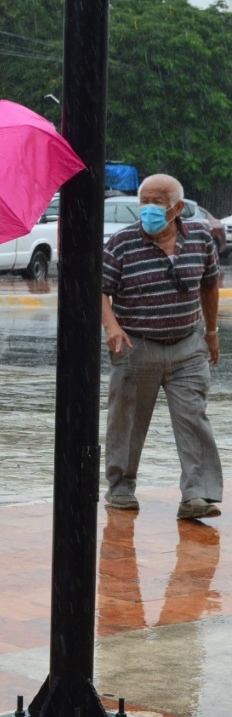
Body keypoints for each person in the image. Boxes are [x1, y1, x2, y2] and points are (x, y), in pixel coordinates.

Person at [102, 173, 223, 520]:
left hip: (187, 346)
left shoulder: (200, 237)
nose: (150, 210)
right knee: (127, 420)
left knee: (194, 417)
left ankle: (197, 495)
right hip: (136, 346)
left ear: (178, 208)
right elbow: (100, 289)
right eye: (145, 202)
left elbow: (210, 285)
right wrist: (111, 327)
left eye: (158, 203)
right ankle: (122, 488)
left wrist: (211, 333)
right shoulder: (121, 243)